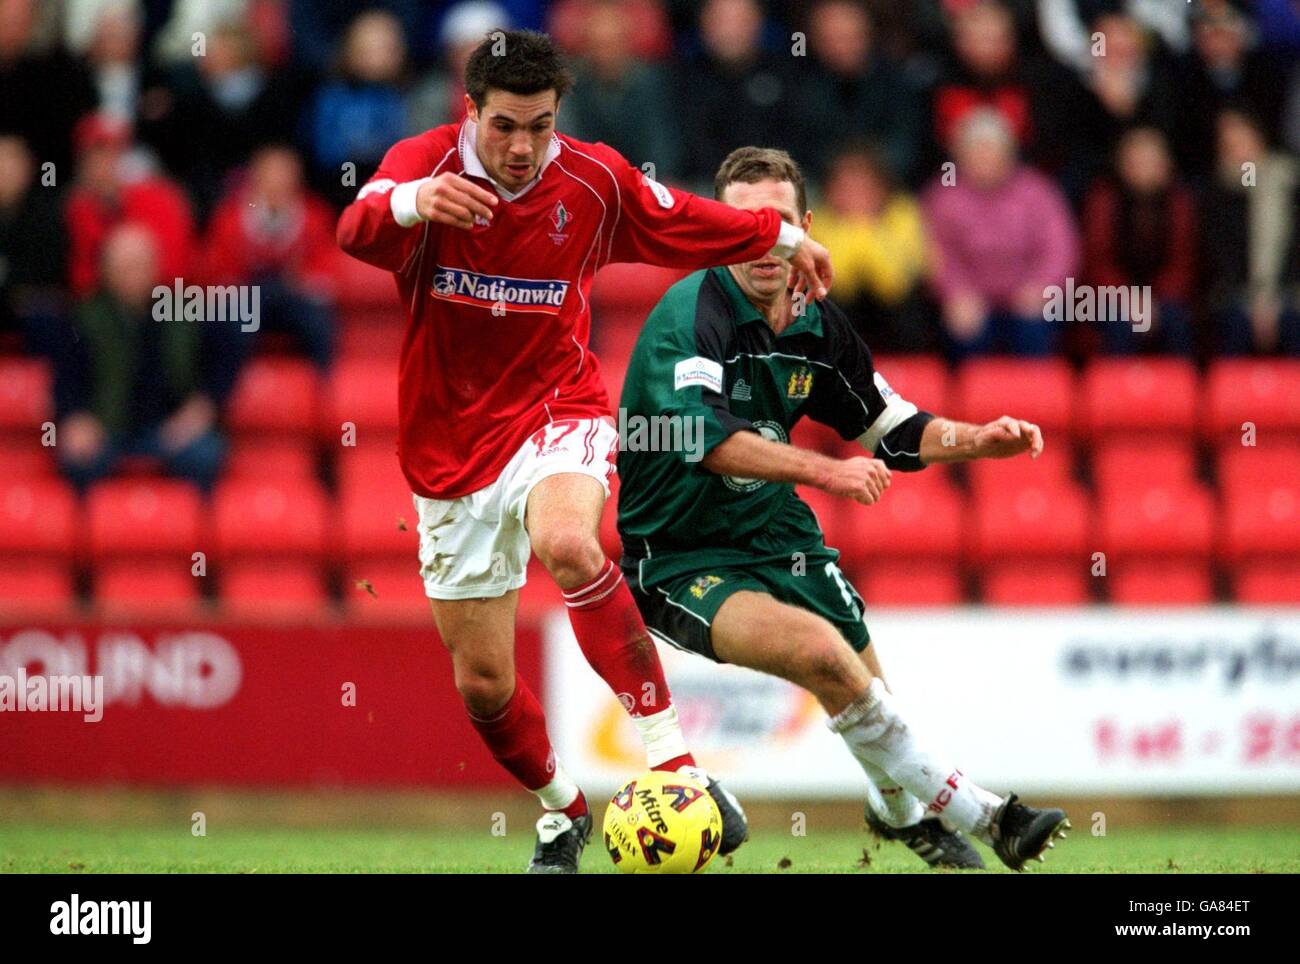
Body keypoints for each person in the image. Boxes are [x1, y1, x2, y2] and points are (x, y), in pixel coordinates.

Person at [335, 29, 833, 873]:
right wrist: (420, 203)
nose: (523, 147)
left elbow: (685, 217)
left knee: (569, 543)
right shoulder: (423, 161)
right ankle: (563, 813)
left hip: (554, 408)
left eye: (539, 125)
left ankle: (677, 765)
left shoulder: (592, 179)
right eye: (504, 127)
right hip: (448, 452)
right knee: (483, 685)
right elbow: (357, 227)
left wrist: (782, 241)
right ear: (471, 111)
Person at [616, 146, 1070, 871]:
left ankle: (896, 814)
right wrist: (824, 472)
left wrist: (977, 439)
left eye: (778, 224)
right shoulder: (690, 314)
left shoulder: (816, 322)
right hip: (678, 552)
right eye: (743, 224)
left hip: (776, 530)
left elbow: (893, 430)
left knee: (872, 699)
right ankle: (991, 816)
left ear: (806, 226)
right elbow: (705, 440)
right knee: (825, 658)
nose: (763, 242)